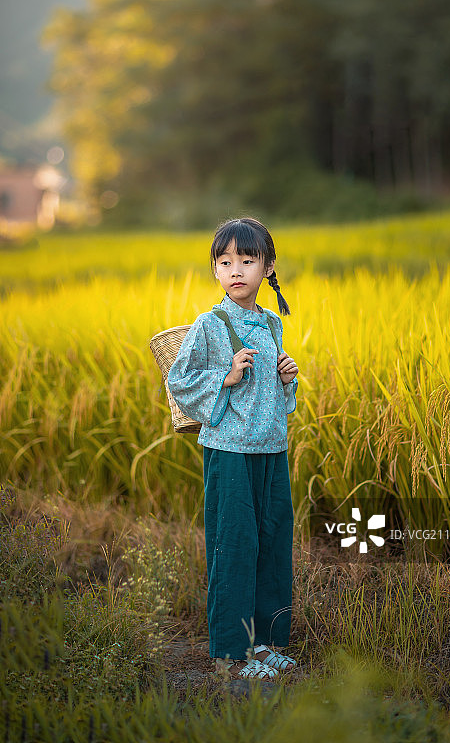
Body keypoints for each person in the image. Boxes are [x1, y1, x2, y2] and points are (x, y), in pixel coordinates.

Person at [167, 216, 299, 680]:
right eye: (226, 262)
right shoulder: (210, 323)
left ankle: (264, 644)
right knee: (235, 545)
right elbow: (178, 381)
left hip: (271, 449)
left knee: (272, 543)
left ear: (267, 267)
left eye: (247, 260)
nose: (236, 269)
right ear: (216, 271)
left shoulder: (269, 322)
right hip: (229, 451)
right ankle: (231, 651)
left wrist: (286, 380)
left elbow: (282, 404)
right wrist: (225, 375)